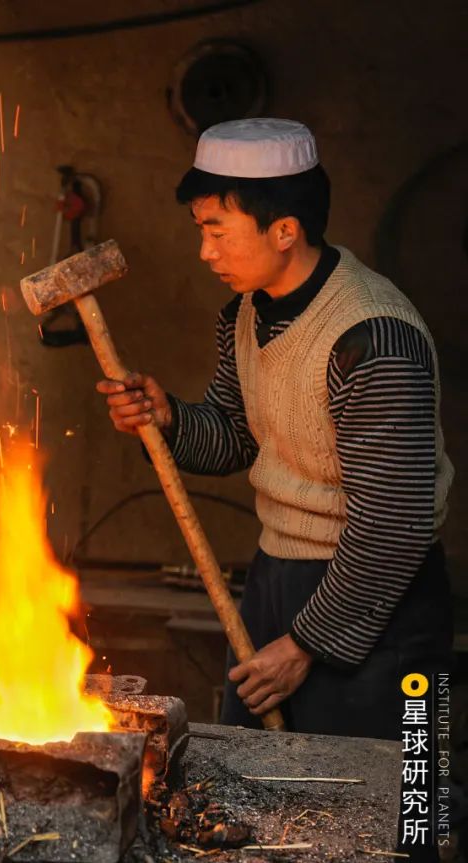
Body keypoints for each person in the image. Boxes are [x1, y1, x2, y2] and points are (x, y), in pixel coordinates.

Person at [99, 118, 453, 740]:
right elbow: (236, 435)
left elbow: (393, 527)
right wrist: (169, 417)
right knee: (259, 796)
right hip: (276, 583)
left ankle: (424, 834)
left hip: (377, 598)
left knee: (399, 807)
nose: (205, 251)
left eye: (217, 231)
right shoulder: (244, 312)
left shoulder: (371, 340)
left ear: (285, 230)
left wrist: (304, 645)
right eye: (200, 230)